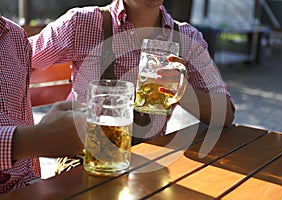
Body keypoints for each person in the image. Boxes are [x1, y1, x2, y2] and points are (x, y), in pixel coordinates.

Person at [29, 0, 235, 139]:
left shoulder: (187, 38)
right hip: (84, 158)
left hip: (147, 158)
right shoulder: (81, 23)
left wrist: (184, 92)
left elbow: (225, 115)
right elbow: (19, 57)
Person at [0, 16, 85, 193]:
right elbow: (34, 139)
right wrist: (33, 139)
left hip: (25, 186)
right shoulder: (83, 22)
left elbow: (22, 121)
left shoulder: (14, 35)